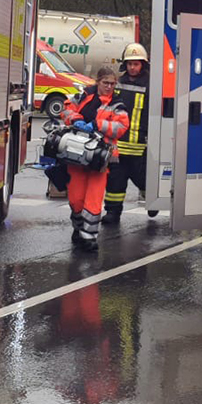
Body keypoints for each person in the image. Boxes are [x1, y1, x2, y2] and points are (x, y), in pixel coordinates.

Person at [60, 67, 129, 251]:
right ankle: (78, 228)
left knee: (94, 198)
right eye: (106, 83)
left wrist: (97, 124)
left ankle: (89, 237)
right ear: (97, 82)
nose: (109, 87)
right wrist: (75, 119)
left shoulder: (117, 104)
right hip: (77, 154)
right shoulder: (84, 96)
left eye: (112, 84)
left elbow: (121, 126)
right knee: (76, 198)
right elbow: (66, 110)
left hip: (100, 159)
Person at [102, 43, 157, 224]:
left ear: (143, 64)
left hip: (140, 144)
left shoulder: (152, 84)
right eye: (130, 64)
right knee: (115, 180)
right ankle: (113, 212)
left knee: (142, 179)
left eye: (136, 64)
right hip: (118, 145)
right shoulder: (118, 83)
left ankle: (152, 200)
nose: (132, 67)